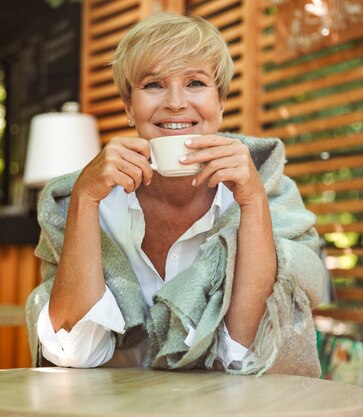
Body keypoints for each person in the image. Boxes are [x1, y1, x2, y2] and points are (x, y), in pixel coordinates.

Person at [26, 12, 327, 376]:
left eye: (195, 83)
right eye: (153, 85)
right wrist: (85, 201)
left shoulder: (265, 193)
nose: (174, 102)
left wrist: (252, 201)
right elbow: (73, 350)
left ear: (220, 104)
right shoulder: (89, 198)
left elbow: (244, 351)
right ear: (128, 107)